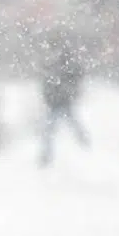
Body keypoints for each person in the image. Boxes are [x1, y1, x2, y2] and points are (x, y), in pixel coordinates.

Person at [38, 31, 88, 166]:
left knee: (53, 128)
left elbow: (77, 73)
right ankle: (47, 156)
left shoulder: (62, 61)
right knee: (56, 128)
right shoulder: (55, 62)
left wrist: (67, 89)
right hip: (57, 101)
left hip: (61, 100)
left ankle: (85, 145)